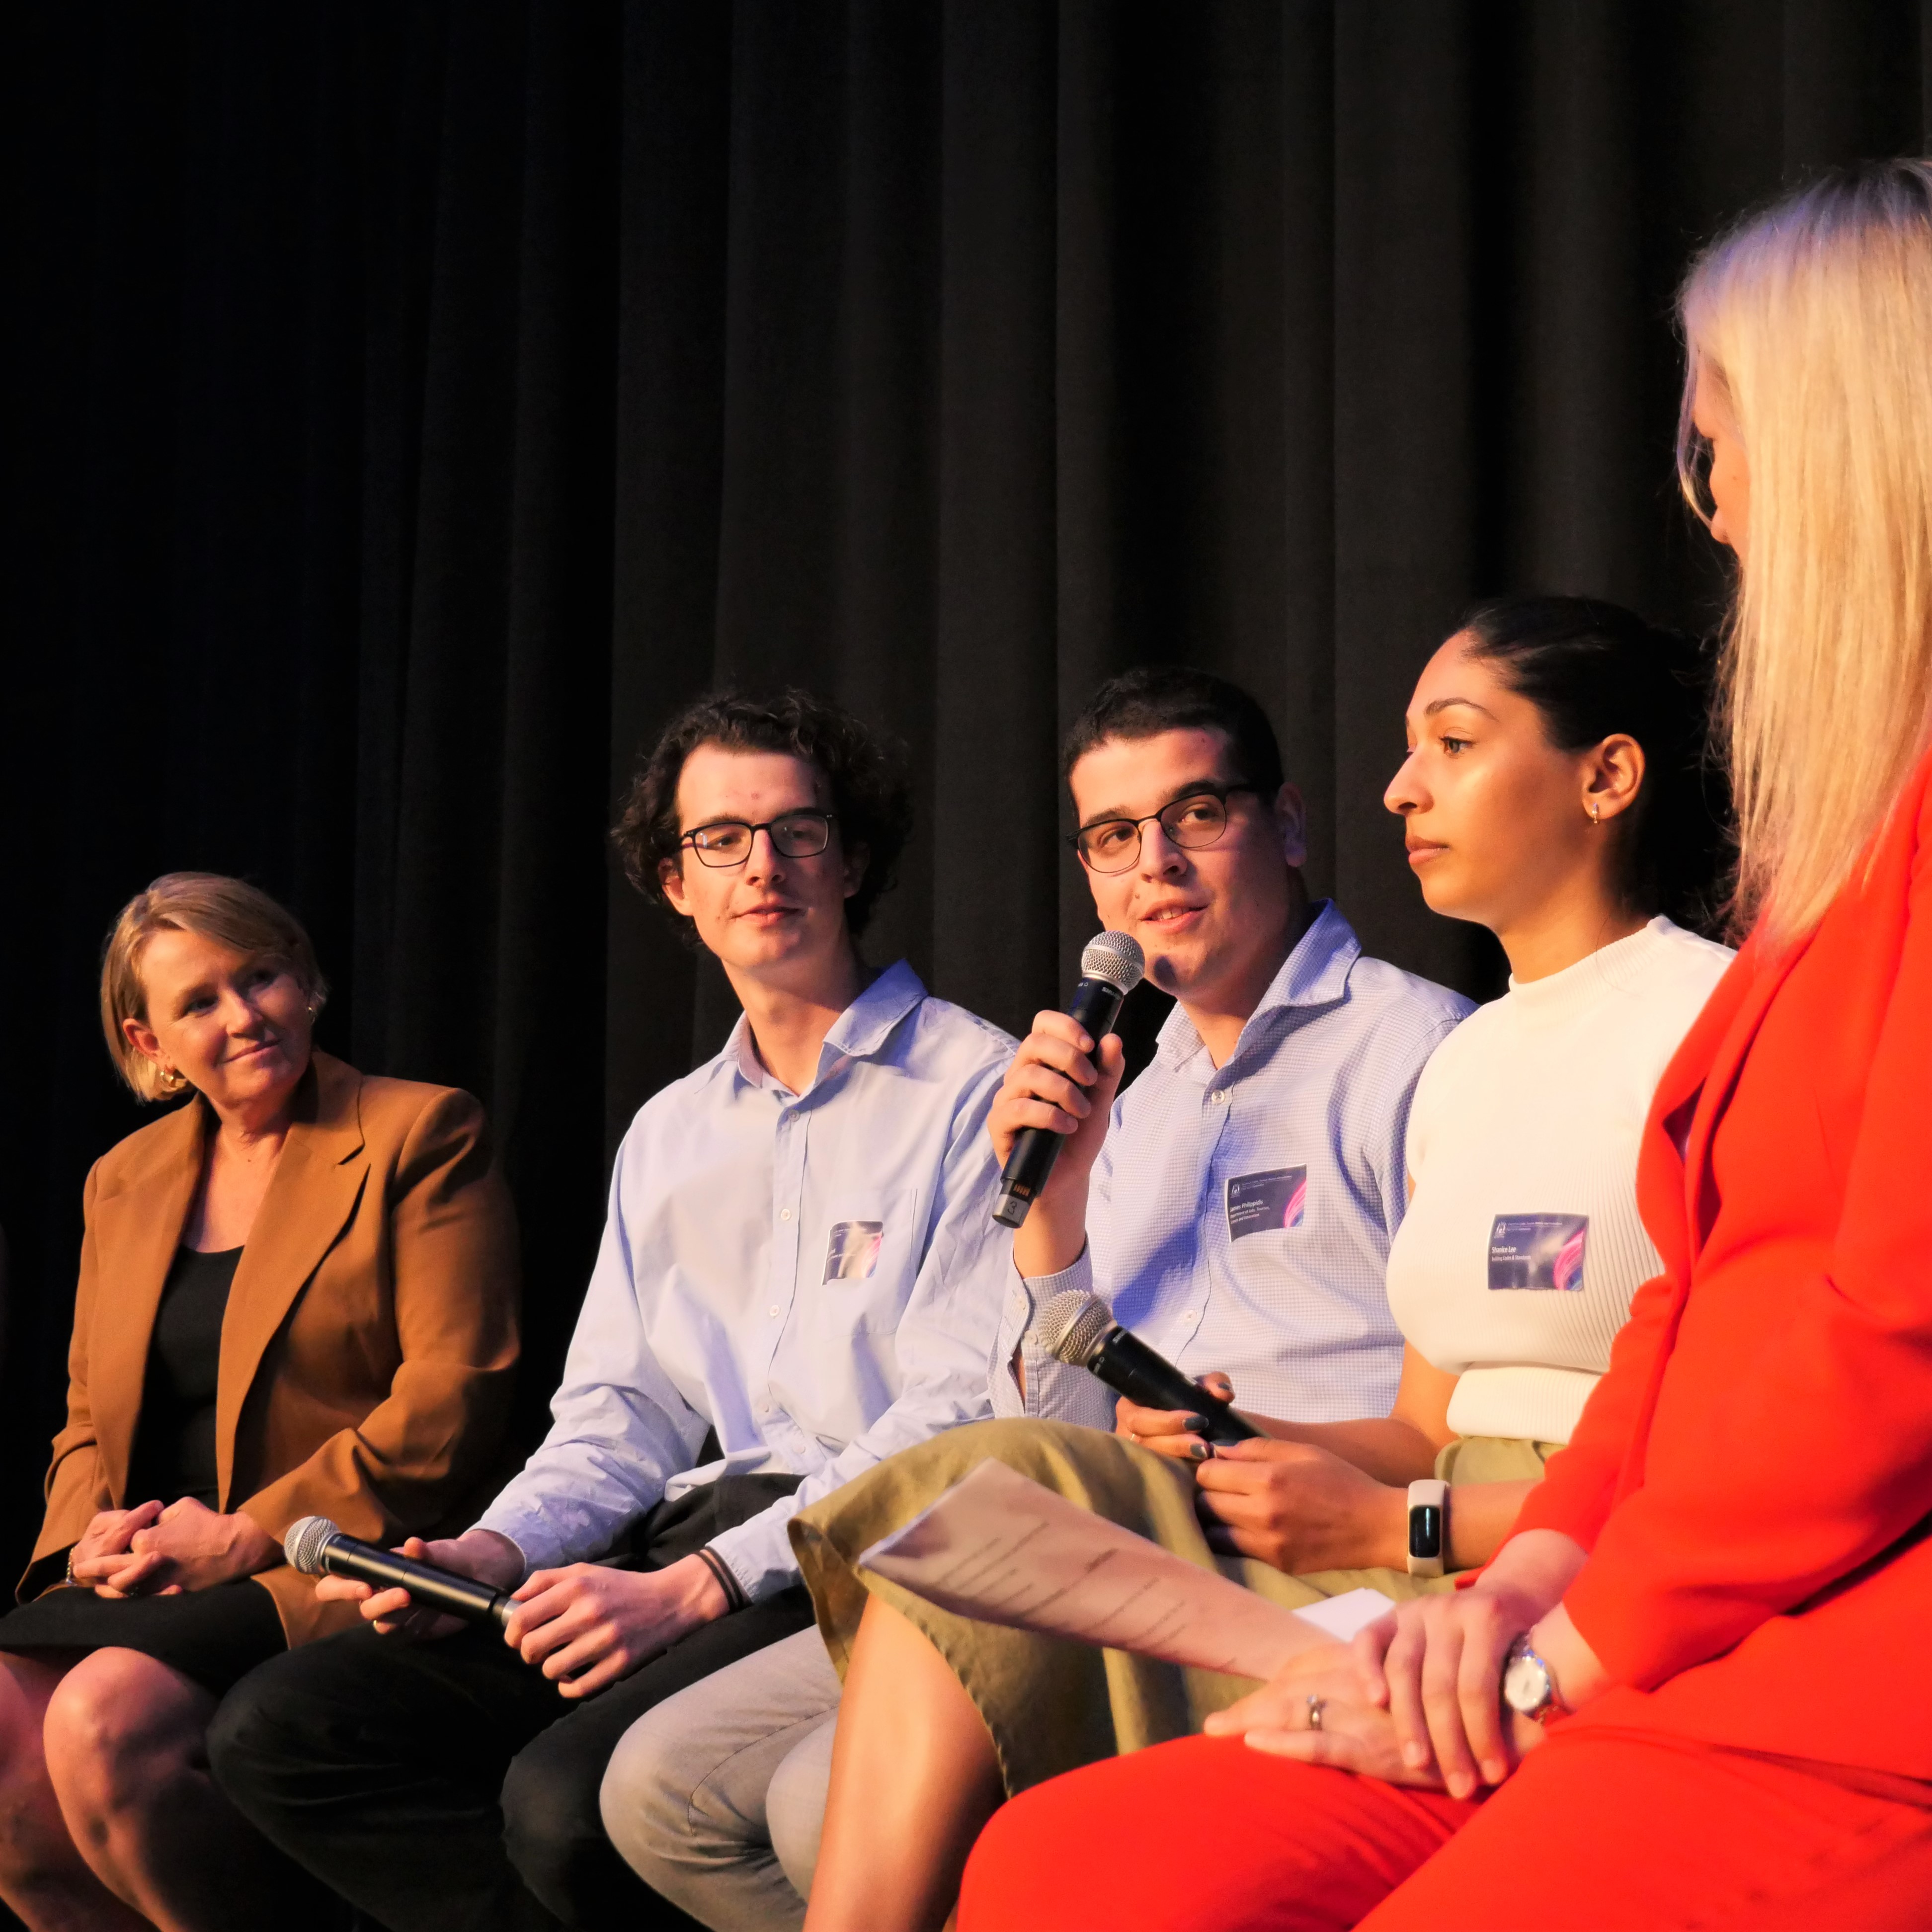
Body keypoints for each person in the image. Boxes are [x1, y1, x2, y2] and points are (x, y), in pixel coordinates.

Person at [957, 159, 1932, 1932]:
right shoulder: (1810, 878)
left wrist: (1523, 1614)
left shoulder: (1653, 979)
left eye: (1714, 452)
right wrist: (1523, 1587)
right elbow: (1686, 1306)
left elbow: (1877, 1341)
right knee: (1060, 1858)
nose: (1705, 511)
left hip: (1824, 1653)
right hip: (1599, 1587)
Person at [599, 665, 1478, 1932]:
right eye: (1116, 838)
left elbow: (1452, 1415)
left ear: (1285, 824)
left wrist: (1270, 1444)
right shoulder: (1127, 1090)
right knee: (660, 1792)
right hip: (1099, 1518)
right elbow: (1047, 1403)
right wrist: (1056, 1208)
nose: (1156, 866)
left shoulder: (1415, 1047)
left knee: (807, 1804)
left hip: (1297, 1543)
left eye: (1198, 816)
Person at [209, 690, 1019, 1932]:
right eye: (721, 842)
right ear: (674, 883)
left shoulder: (978, 1085)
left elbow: (954, 1421)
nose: (764, 867)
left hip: (843, 1558)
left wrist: (698, 1584)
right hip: (670, 1538)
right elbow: (618, 1417)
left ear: (853, 860)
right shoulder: (672, 1131)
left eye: (800, 832)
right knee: (288, 1727)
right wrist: (496, 1548)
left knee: (562, 1801)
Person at [0, 873, 520, 1932]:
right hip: (157, 1567)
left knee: (106, 1721)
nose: (244, 1017)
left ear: (307, 981)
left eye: (263, 976)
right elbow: (86, 1420)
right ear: (150, 1045)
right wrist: (84, 1542)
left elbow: (454, 1395)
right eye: (200, 1003)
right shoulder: (124, 1179)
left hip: (323, 1558)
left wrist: (246, 1536)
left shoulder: (419, 1132)